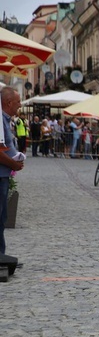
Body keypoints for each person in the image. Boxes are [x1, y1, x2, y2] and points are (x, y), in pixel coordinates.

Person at [1, 87, 25, 255]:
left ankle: (1, 254)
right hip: (0, 173)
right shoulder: (1, 121)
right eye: (18, 102)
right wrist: (13, 163)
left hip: (3, 174)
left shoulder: (5, 119)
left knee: (2, 217)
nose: (20, 105)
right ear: (9, 103)